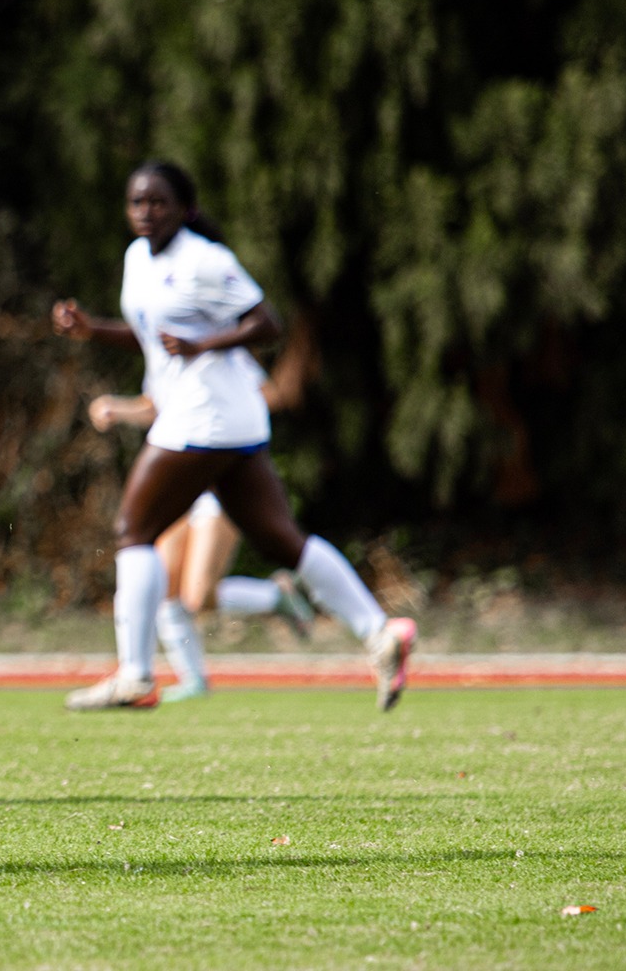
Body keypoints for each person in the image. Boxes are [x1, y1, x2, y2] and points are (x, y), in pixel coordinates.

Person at [52, 160, 416, 713]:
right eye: (137, 203)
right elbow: (154, 337)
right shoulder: (137, 259)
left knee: (134, 530)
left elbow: (266, 323)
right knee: (280, 541)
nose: (146, 212)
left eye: (159, 203)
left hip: (207, 416)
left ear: (186, 209)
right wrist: (93, 329)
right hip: (226, 423)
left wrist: (205, 346)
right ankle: (378, 633)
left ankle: (135, 674)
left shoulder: (205, 259)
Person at [86, 381, 316, 702]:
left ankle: (274, 596)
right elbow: (155, 405)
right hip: (178, 484)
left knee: (197, 597)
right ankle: (193, 680)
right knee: (167, 587)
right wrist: (118, 408)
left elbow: (274, 393)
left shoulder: (223, 353)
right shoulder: (166, 348)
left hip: (221, 486)